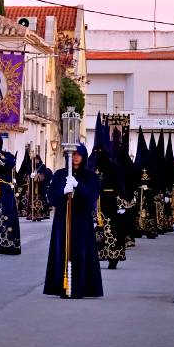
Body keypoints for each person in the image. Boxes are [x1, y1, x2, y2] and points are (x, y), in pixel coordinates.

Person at [44, 144, 103, 299]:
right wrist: (63, 191)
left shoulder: (91, 176)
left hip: (82, 220)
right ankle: (63, 287)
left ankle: (80, 287)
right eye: (73, 154)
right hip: (63, 219)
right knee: (62, 250)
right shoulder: (59, 174)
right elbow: (51, 197)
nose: (76, 157)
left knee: (81, 251)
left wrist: (78, 186)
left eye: (79, 154)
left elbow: (92, 196)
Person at [90, 116, 128, 269]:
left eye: (101, 150)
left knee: (112, 230)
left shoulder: (114, 167)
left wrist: (120, 203)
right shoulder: (90, 165)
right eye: (96, 150)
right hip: (95, 202)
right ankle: (96, 256)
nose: (98, 153)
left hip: (111, 202)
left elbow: (120, 185)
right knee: (96, 231)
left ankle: (113, 257)